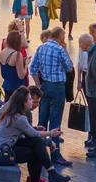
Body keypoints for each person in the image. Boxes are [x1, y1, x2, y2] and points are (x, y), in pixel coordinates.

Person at [0, 86, 70, 182]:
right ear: (23, 102)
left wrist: (37, 130)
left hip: (6, 146)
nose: (32, 101)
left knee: (37, 145)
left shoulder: (14, 112)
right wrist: (51, 134)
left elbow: (29, 133)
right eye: (29, 99)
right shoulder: (20, 117)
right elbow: (33, 134)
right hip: (3, 153)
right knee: (36, 153)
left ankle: (49, 175)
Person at [30, 26, 74, 166]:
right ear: (60, 36)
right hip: (57, 87)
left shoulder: (41, 47)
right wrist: (65, 49)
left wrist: (38, 84)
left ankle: (39, 151)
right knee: (55, 121)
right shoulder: (60, 50)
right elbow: (69, 67)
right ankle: (55, 155)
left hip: (44, 86)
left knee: (42, 121)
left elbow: (32, 68)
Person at [0, 31, 28, 101]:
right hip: (16, 87)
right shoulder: (17, 54)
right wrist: (26, 64)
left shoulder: (3, 52)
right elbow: (21, 75)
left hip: (7, 84)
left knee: (8, 107)